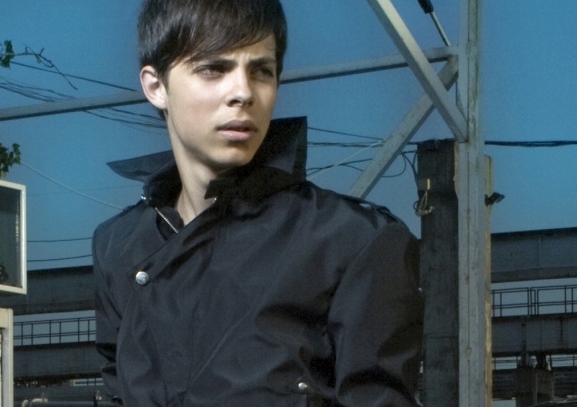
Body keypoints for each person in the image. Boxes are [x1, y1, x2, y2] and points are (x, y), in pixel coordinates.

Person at [92, 0, 424, 405]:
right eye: (213, 69)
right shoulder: (119, 246)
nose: (243, 93)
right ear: (156, 86)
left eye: (261, 71)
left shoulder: (353, 242)